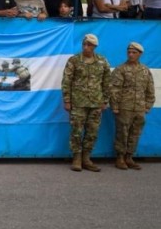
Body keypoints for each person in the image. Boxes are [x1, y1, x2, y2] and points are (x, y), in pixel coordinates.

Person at [61, 33, 110, 172]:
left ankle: (86, 158)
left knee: (92, 131)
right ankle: (76, 157)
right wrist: (67, 100)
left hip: (96, 103)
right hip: (78, 102)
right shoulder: (74, 60)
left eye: (89, 45)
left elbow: (107, 82)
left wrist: (105, 100)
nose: (85, 47)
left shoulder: (102, 61)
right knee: (76, 130)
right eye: (84, 44)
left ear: (94, 47)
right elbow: (66, 81)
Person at [110, 42, 155, 170]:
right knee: (122, 133)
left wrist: (148, 105)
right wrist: (115, 106)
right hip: (125, 107)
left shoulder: (145, 70)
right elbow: (114, 89)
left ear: (140, 54)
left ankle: (129, 157)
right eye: (129, 52)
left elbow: (150, 89)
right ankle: (120, 158)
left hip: (140, 108)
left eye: (134, 52)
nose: (131, 54)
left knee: (135, 133)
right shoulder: (121, 69)